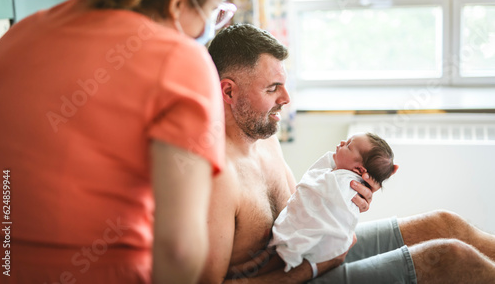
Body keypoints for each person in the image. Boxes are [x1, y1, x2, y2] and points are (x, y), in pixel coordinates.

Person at [0, 0, 240, 283]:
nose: (211, 27)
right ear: (179, 2)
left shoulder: (18, 36)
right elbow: (178, 250)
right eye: (213, 11)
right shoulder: (181, 62)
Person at [200, 23, 495, 283]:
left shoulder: (264, 139)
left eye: (285, 85)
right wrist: (316, 268)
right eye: (272, 89)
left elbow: (301, 209)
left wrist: (345, 200)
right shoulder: (217, 177)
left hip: (312, 257)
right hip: (299, 275)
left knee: (444, 224)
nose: (286, 99)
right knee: (450, 258)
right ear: (228, 92)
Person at [270, 133, 397, 272]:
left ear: (359, 170)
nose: (342, 142)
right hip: (322, 255)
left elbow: (314, 187)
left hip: (324, 243)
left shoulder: (344, 182)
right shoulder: (338, 177)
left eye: (348, 145)